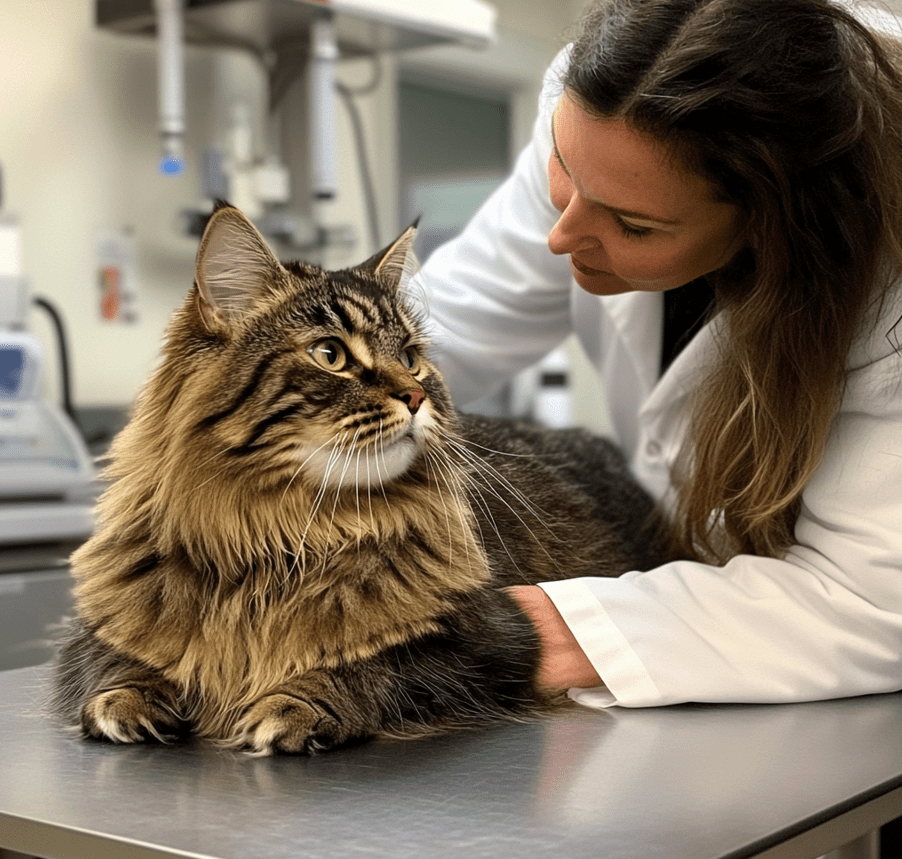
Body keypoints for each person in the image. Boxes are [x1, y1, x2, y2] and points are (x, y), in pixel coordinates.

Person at [412, 0, 902, 709]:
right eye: (564, 171)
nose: (562, 235)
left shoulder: (884, 278)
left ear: (774, 225)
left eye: (633, 225)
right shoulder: (609, 117)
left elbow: (873, 598)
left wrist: (552, 631)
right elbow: (445, 327)